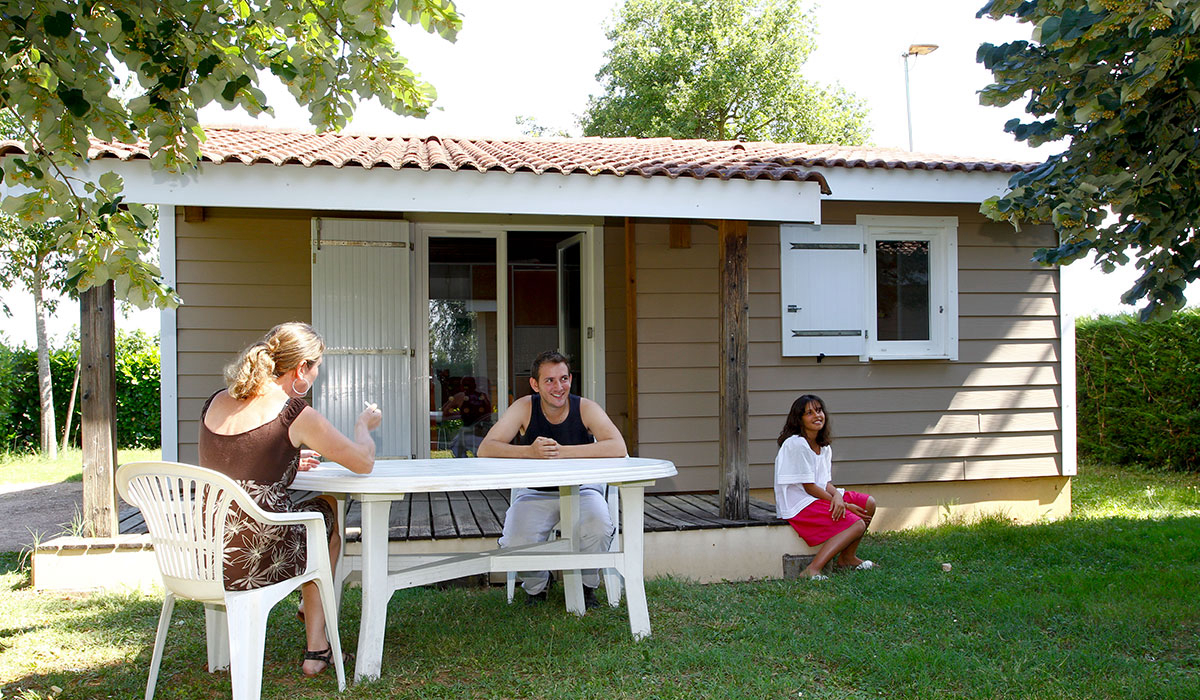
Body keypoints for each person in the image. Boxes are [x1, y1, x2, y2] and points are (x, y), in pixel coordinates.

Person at [198, 322, 382, 676]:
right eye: (315, 370)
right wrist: (364, 426)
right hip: (257, 557)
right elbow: (364, 462)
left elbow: (239, 462)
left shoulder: (215, 401)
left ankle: (307, 624)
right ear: (301, 369)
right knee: (327, 510)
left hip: (207, 550)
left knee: (311, 517)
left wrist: (291, 457)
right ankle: (317, 647)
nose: (314, 378)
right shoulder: (293, 411)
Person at [477, 350, 626, 607]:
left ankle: (585, 585)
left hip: (582, 490)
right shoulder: (524, 407)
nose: (559, 387)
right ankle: (537, 586)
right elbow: (486, 448)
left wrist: (562, 452)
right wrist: (530, 452)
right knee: (515, 541)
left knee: (598, 527)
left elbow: (617, 446)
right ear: (535, 384)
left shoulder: (585, 408)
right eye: (549, 380)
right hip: (536, 491)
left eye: (564, 379)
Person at [774, 394, 878, 580]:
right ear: (799, 419)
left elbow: (825, 483)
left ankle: (847, 558)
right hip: (799, 503)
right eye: (809, 413)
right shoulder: (797, 444)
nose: (817, 415)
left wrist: (838, 497)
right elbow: (809, 487)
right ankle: (812, 569)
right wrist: (842, 504)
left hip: (817, 495)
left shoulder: (824, 446)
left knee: (868, 503)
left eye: (819, 410)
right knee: (857, 524)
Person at [441, 375, 492, 458]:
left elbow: (445, 412)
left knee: (455, 446)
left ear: (462, 386)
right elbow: (489, 414)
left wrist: (459, 414)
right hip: (483, 432)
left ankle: (464, 464)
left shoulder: (461, 396)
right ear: (475, 385)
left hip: (469, 432)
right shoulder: (483, 396)